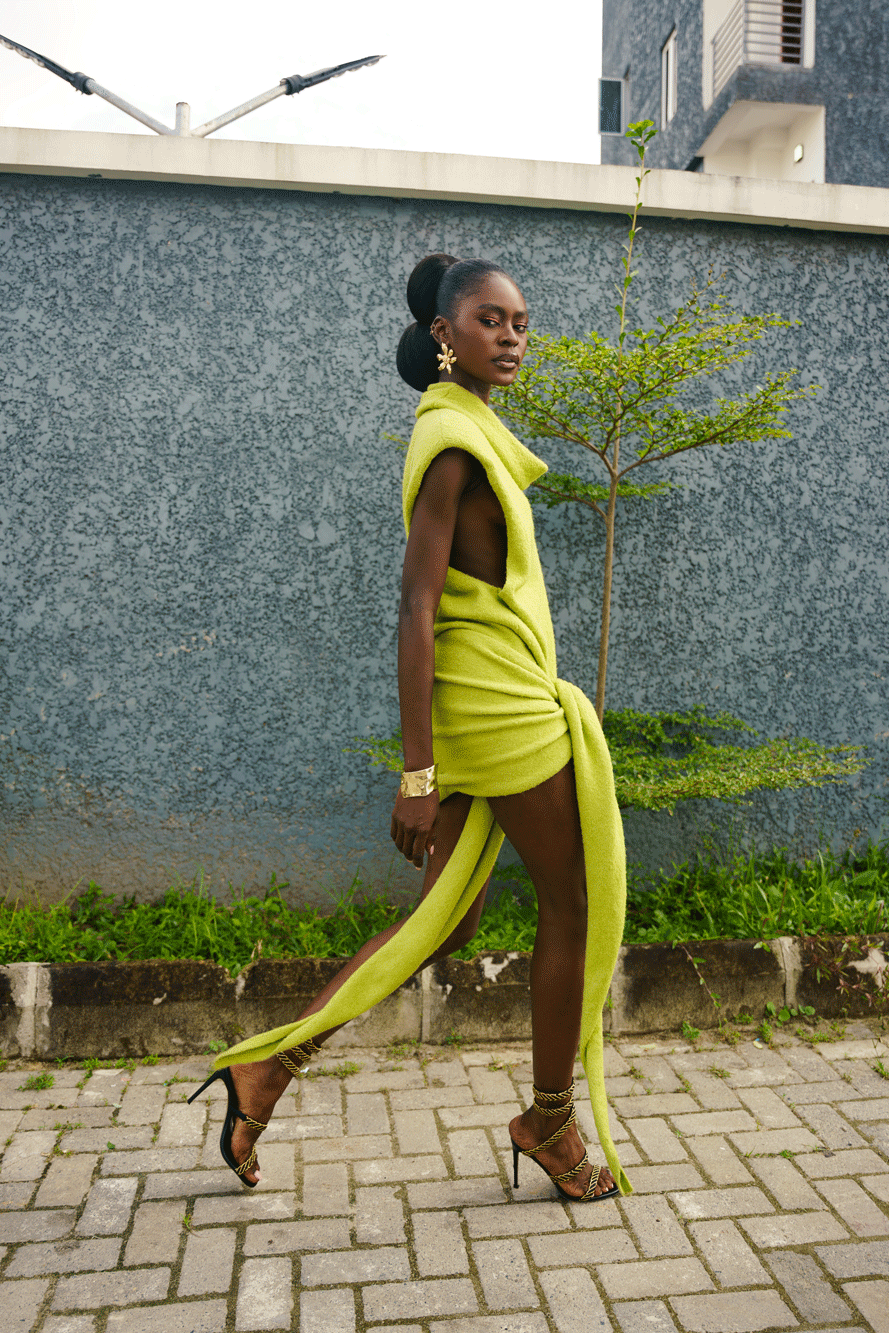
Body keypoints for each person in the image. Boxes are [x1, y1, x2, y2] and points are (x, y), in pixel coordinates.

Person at [189, 254, 630, 1202]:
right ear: (444, 334)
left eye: (519, 321)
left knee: (447, 919)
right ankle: (548, 1120)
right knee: (575, 907)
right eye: (489, 319)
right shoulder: (454, 443)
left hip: (490, 699)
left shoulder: (470, 428)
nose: (511, 336)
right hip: (498, 712)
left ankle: (263, 1073)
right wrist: (417, 773)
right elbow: (414, 607)